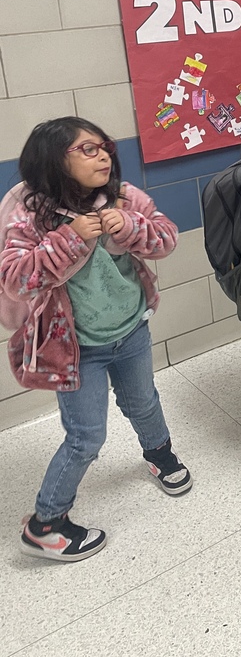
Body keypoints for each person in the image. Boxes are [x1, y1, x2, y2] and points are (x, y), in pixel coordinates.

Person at [0, 118, 189, 563]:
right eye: (87, 149)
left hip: (131, 330)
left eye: (104, 146)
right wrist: (67, 239)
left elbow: (166, 239)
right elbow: (15, 280)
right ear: (54, 160)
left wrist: (129, 227)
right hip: (75, 349)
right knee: (85, 437)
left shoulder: (123, 197)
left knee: (144, 402)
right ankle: (46, 524)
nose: (103, 155)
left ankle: (159, 453)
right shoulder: (30, 214)